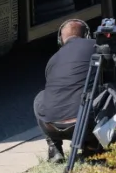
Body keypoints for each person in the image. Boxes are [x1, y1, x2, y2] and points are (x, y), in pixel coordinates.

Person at [34, 18, 97, 163]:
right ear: (86, 35)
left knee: (41, 97)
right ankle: (91, 146)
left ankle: (54, 148)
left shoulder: (52, 59)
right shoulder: (95, 46)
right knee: (108, 90)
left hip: (52, 126)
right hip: (85, 124)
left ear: (60, 40)